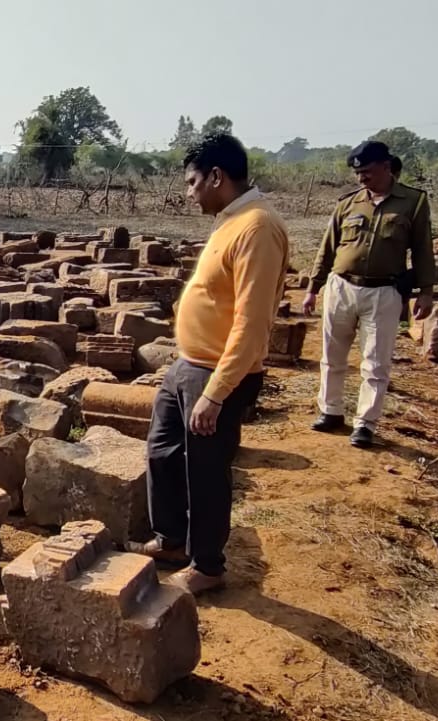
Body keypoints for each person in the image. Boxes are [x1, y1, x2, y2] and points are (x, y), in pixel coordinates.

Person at [130, 132, 290, 595]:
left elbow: (252, 321)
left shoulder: (258, 228)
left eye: (192, 181)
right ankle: (172, 539)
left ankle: (207, 565)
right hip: (189, 364)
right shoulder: (231, 220)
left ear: (216, 176)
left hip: (218, 372)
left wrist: (217, 393)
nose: (188, 191)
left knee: (205, 472)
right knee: (162, 453)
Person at [301, 141, 435, 449]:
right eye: (358, 173)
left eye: (368, 173)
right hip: (342, 287)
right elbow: (328, 248)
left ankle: (365, 423)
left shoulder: (412, 202)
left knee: (375, 362)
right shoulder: (348, 204)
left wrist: (426, 292)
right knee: (332, 356)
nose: (362, 179)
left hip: (384, 291)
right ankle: (330, 410)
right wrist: (312, 289)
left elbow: (423, 250)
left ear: (387, 168)